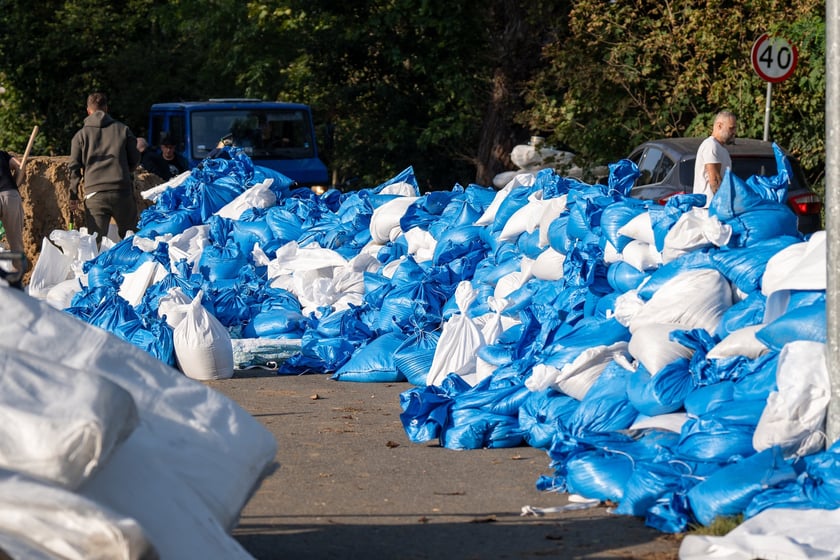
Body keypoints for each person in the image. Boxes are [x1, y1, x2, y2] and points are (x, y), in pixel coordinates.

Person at [68, 92, 141, 244]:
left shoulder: (80, 136)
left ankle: (97, 267)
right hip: (121, 191)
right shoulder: (123, 130)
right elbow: (135, 158)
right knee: (132, 239)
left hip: (95, 195)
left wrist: (73, 195)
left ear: (88, 110)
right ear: (106, 108)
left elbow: (74, 167)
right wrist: (126, 171)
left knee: (95, 243)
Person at [693, 111, 737, 207]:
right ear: (719, 126)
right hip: (708, 207)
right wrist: (724, 204)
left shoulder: (721, 149)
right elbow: (715, 180)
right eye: (731, 128)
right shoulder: (711, 145)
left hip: (714, 206)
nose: (734, 132)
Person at [0, 149, 25, 280]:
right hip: (10, 194)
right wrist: (15, 184)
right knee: (15, 242)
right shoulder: (2, 154)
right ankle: (17, 279)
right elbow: (19, 165)